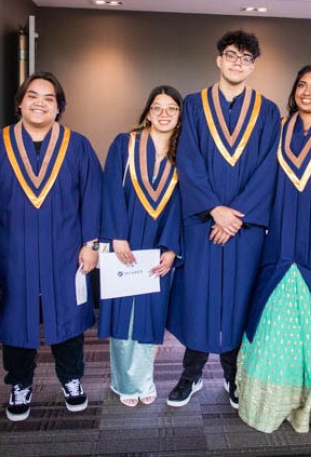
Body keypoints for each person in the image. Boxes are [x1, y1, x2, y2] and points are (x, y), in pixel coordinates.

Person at [0, 72, 102, 422]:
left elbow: (92, 197)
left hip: (66, 252)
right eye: (33, 96)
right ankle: (19, 384)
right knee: (16, 320)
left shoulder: (78, 146)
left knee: (69, 319)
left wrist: (91, 244)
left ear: (59, 107)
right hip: (11, 252)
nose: (40, 103)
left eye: (49, 98)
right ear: (20, 102)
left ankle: (72, 379)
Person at [236, 65, 311, 432]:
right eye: (301, 85)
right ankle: (271, 401)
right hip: (281, 240)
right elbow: (258, 179)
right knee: (272, 315)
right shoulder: (278, 128)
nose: (307, 91)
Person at [166, 29, 280, 408]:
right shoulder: (195, 105)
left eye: (246, 59)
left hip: (244, 228)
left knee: (239, 299)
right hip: (203, 222)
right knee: (199, 297)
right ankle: (191, 374)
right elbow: (188, 159)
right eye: (231, 55)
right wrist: (214, 209)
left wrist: (234, 217)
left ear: (253, 66)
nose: (237, 63)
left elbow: (267, 168)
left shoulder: (267, 110)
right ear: (218, 59)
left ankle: (234, 375)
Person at [98, 86, 183, 406]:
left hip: (159, 245)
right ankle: (124, 383)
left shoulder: (183, 153)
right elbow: (111, 190)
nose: (164, 114)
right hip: (126, 242)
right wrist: (116, 235)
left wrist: (172, 248)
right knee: (124, 315)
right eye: (157, 108)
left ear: (179, 116)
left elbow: (182, 203)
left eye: (171, 109)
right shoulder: (126, 144)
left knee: (149, 316)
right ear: (147, 112)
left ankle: (144, 381)